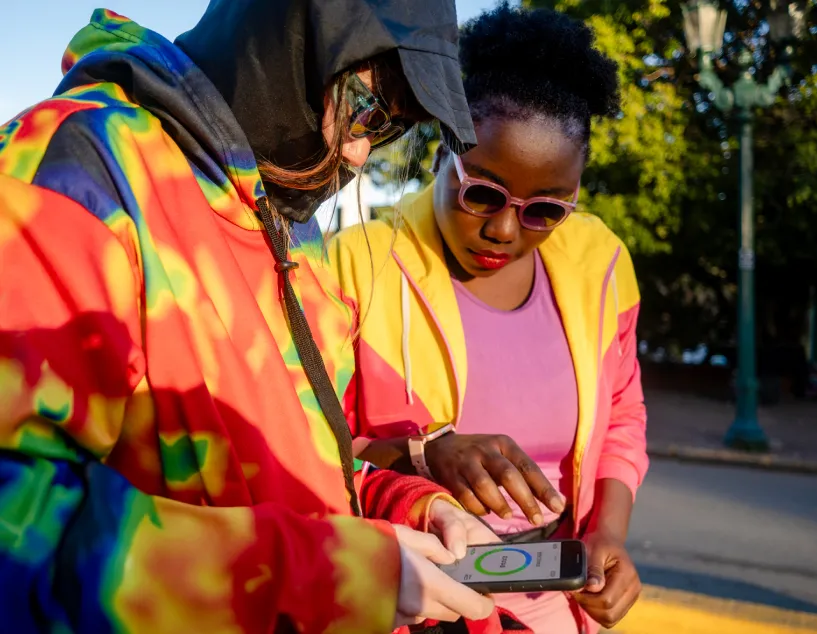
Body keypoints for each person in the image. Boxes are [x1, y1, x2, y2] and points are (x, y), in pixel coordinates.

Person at [0, 1, 528, 632]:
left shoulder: (283, 223)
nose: (360, 156)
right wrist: (326, 575)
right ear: (283, 42)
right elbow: (16, 527)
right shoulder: (74, 169)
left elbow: (299, 465)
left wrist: (406, 508)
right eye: (366, 110)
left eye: (386, 132)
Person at [331, 6, 648, 633]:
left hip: (560, 603)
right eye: (482, 192)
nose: (504, 230)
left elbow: (623, 419)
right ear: (445, 146)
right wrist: (426, 454)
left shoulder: (601, 263)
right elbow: (306, 446)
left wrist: (608, 536)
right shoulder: (357, 264)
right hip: (417, 605)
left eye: (546, 210)